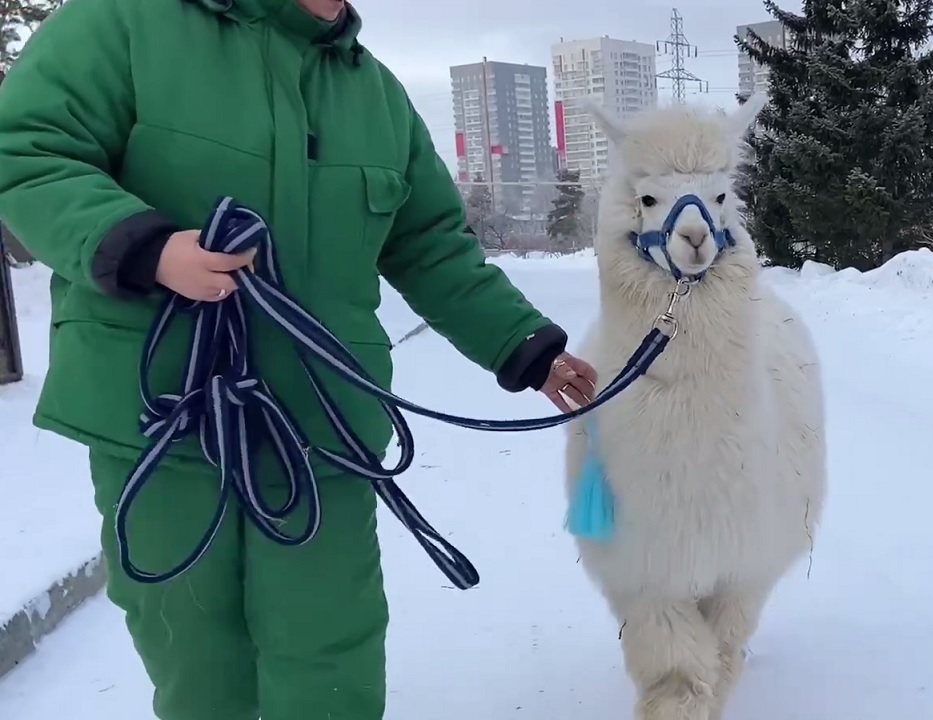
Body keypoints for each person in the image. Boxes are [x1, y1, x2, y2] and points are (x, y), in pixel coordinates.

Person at [0, 0, 597, 718]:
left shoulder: (376, 96)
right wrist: (145, 248)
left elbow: (431, 247)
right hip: (164, 423)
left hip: (323, 432)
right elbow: (25, 148)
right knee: (198, 662)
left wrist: (527, 347)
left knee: (332, 653)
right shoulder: (125, 23)